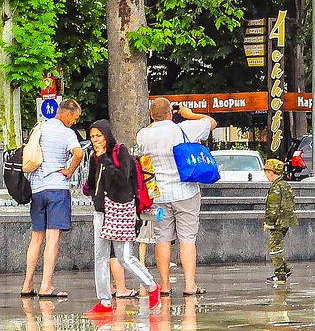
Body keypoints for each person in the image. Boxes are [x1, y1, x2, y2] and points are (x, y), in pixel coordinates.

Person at [136, 98, 216, 298]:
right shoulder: (185, 128)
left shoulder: (143, 135)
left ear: (151, 115)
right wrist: (190, 115)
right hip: (185, 191)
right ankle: (189, 285)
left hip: (158, 194)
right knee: (187, 239)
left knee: (162, 239)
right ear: (171, 113)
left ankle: (164, 285)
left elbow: (145, 162)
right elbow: (211, 123)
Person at [84, 119, 161, 317]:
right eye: (92, 136)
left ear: (107, 135)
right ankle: (104, 301)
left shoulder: (120, 151)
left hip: (122, 210)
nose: (95, 140)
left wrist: (105, 160)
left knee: (124, 256)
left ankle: (152, 286)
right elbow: (91, 182)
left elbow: (122, 178)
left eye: (98, 136)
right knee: (100, 256)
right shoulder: (94, 156)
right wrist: (92, 191)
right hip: (101, 210)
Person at [21, 98, 83, 300]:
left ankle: (27, 284)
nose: (75, 122)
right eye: (75, 117)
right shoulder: (66, 133)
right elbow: (79, 153)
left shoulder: (40, 128)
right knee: (53, 239)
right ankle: (46, 285)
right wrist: (70, 171)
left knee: (36, 238)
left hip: (37, 189)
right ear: (66, 113)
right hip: (57, 188)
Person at [261, 159, 297, 286]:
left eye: (267, 173)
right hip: (286, 221)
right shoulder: (286, 185)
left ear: (271, 172)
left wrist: (268, 222)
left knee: (274, 246)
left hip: (277, 222)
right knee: (277, 244)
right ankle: (285, 269)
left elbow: (273, 207)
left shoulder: (276, 188)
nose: (266, 176)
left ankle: (280, 274)